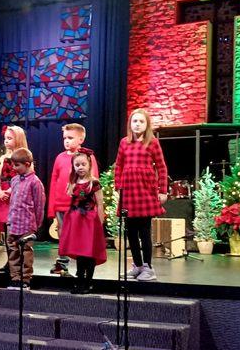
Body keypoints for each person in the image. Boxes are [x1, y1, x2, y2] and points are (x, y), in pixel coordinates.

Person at [114, 108, 168, 281]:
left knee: (144, 231)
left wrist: (163, 190)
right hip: (129, 191)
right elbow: (119, 165)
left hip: (145, 190)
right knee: (130, 232)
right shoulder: (124, 142)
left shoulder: (152, 142)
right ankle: (137, 265)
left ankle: (148, 268)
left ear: (147, 125)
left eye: (141, 121)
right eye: (134, 121)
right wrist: (118, 185)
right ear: (130, 124)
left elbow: (161, 167)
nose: (137, 124)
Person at [47, 123, 99, 275]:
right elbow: (54, 182)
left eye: (70, 137)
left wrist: (91, 206)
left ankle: (81, 266)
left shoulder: (88, 158)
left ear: (81, 138)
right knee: (63, 233)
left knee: (79, 235)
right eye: (65, 138)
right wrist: (52, 208)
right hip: (61, 204)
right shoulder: (59, 158)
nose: (67, 141)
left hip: (79, 205)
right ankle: (62, 262)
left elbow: (93, 181)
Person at [59, 148, 107, 294]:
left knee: (89, 252)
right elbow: (71, 202)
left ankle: (88, 282)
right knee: (80, 253)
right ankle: (79, 281)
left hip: (90, 222)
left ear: (89, 165)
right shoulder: (73, 183)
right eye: (77, 165)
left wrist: (99, 222)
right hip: (76, 221)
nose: (80, 167)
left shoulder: (94, 183)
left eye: (83, 164)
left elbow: (100, 204)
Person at [7, 148, 45, 290]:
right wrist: (9, 220)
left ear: (27, 164)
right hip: (13, 221)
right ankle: (15, 277)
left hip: (27, 223)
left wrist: (36, 224)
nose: (14, 168)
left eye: (17, 165)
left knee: (26, 251)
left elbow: (39, 204)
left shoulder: (35, 182)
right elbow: (13, 201)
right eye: (13, 164)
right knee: (13, 250)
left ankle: (26, 278)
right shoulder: (15, 180)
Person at [0, 125, 28, 232]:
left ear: (18, 140)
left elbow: (22, 178)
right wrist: (0, 191)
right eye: (5, 138)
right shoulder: (4, 158)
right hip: (3, 192)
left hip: (15, 192)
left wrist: (10, 191)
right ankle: (8, 245)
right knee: (3, 219)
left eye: (9, 139)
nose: (6, 141)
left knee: (13, 222)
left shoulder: (23, 158)